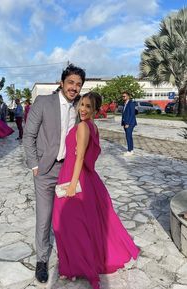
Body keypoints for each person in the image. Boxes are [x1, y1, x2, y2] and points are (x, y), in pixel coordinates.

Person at [52, 92, 139, 289]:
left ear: (95, 110)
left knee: (68, 223)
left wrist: (73, 185)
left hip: (76, 177)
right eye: (81, 104)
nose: (83, 109)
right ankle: (75, 263)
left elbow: (81, 156)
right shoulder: (92, 126)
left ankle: (76, 265)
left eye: (88, 106)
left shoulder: (83, 126)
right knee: (80, 223)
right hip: (84, 177)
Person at [23, 64, 86, 284]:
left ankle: (68, 257)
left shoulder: (79, 106)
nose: (74, 87)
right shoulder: (43, 102)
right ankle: (42, 260)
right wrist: (34, 165)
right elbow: (28, 136)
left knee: (67, 217)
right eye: (71, 82)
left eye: (78, 85)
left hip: (67, 170)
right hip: (45, 170)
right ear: (62, 82)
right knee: (44, 217)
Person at [121, 91, 137, 156]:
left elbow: (132, 114)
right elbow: (124, 114)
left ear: (128, 96)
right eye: (122, 96)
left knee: (128, 136)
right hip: (125, 123)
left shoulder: (131, 103)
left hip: (130, 123)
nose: (123, 97)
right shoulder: (125, 103)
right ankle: (131, 150)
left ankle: (129, 150)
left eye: (124, 96)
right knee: (129, 136)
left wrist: (128, 123)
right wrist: (123, 122)